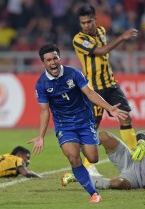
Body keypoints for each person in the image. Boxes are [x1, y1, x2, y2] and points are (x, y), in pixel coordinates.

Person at [27, 44, 128, 203]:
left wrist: (110, 108)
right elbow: (44, 111)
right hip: (64, 125)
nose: (52, 62)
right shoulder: (41, 84)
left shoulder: (73, 73)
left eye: (55, 58)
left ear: (59, 59)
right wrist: (40, 136)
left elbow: (89, 93)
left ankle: (81, 149)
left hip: (84, 121)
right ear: (43, 63)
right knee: (74, 158)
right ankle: (94, 194)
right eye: (48, 60)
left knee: (93, 158)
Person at [73, 5, 139, 176]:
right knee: (93, 126)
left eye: (89, 22)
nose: (86, 25)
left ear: (95, 20)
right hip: (93, 89)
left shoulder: (102, 31)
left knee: (125, 117)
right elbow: (101, 51)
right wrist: (122, 38)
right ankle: (88, 165)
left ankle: (135, 157)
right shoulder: (78, 39)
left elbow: (105, 55)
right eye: (83, 23)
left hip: (111, 84)